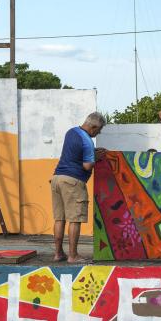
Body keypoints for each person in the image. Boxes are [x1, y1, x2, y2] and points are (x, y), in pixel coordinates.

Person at [50, 112, 107, 263]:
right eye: (99, 130)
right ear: (93, 126)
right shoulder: (88, 141)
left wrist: (91, 154)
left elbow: (75, 155)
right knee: (75, 219)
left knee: (59, 218)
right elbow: (87, 166)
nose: (98, 133)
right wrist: (96, 157)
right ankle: (73, 256)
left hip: (57, 178)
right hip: (73, 181)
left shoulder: (71, 132)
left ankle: (58, 253)